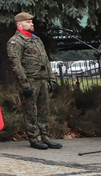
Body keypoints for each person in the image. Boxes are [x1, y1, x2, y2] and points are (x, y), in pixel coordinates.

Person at [7, 12, 61, 150]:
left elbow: (45, 60)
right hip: (30, 80)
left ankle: (45, 136)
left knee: (44, 110)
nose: (32, 24)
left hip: (42, 79)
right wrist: (24, 84)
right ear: (19, 24)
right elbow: (16, 64)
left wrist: (51, 78)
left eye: (32, 22)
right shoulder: (16, 41)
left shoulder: (36, 39)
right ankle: (34, 138)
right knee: (31, 111)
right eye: (28, 22)